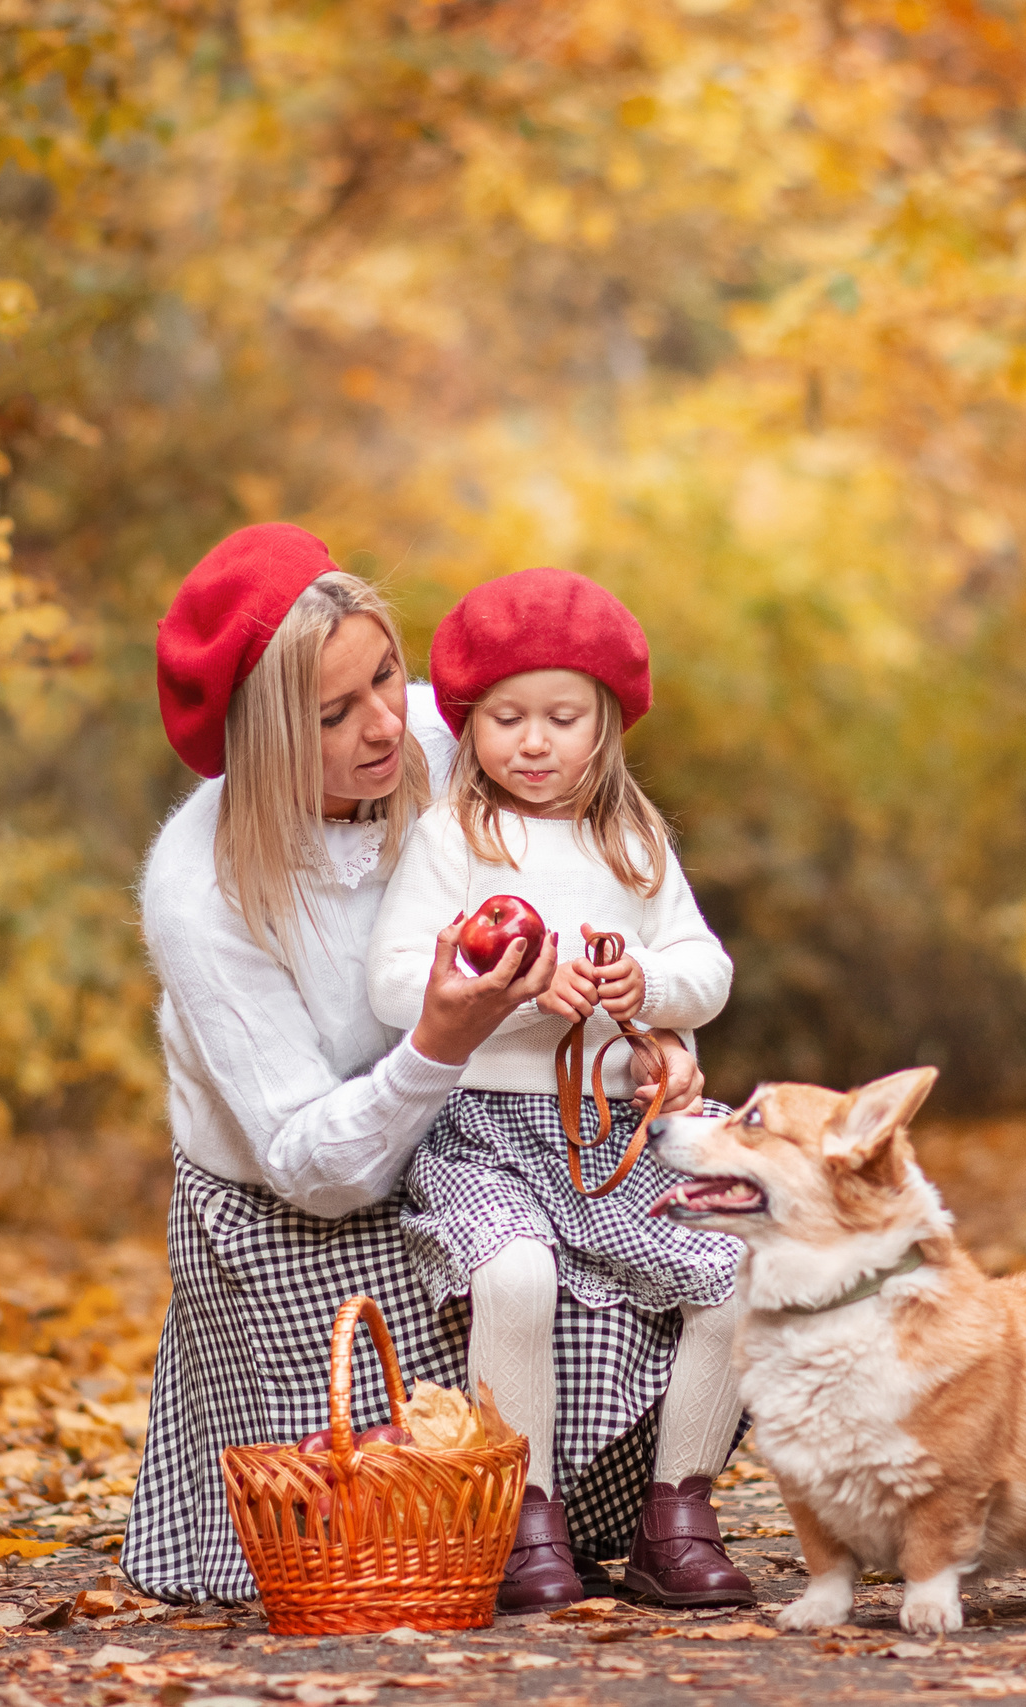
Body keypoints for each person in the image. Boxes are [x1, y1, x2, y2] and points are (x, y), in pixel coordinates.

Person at [122, 526, 711, 1604]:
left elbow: (614, 891)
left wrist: (656, 1036)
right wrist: (439, 1037)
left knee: (661, 1245)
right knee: (364, 1524)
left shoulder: (456, 734)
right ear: (261, 742)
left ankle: (564, 1524)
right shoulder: (200, 892)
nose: (389, 724)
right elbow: (311, 1164)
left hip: (480, 1142)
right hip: (302, 1209)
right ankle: (485, 1530)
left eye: (387, 674)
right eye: (332, 714)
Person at [367, 568, 753, 1610]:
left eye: (561, 717)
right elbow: (393, 976)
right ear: (468, 723)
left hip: (610, 1134)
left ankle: (678, 1516)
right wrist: (517, 987)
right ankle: (523, 1520)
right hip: (485, 1131)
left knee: (736, 1266)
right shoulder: (456, 838)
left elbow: (705, 971)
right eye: (504, 718)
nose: (531, 743)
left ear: (607, 725)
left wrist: (646, 985)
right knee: (516, 1278)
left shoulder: (632, 843)